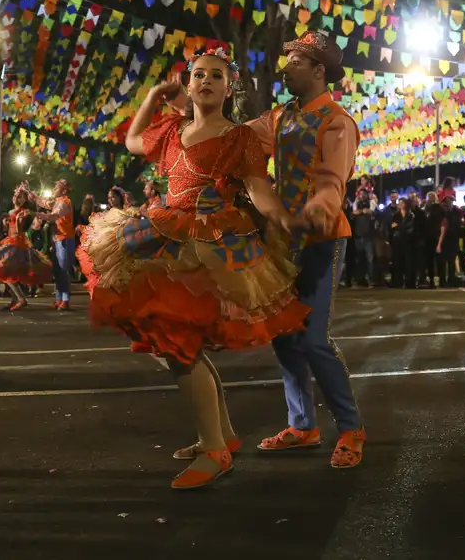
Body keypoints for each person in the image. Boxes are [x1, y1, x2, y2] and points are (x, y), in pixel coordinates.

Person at [78, 47, 309, 488]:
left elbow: (259, 191)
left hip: (209, 247)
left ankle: (215, 449)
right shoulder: (172, 130)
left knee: (178, 344)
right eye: (199, 75)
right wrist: (151, 96)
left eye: (216, 76)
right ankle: (219, 436)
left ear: (229, 87)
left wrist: (287, 219)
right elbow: (131, 140)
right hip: (162, 234)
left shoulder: (239, 138)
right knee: (176, 345)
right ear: (188, 85)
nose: (206, 81)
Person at [246, 30, 367, 468]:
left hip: (322, 238)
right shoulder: (280, 116)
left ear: (319, 71)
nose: (286, 67)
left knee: (314, 340)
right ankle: (302, 425)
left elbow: (333, 180)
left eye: (295, 61)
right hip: (283, 240)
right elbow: (240, 142)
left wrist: (318, 208)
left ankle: (351, 429)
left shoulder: (336, 121)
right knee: (283, 336)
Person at [0, 184, 53, 310]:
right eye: (15, 196)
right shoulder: (11, 211)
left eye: (20, 197)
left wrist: (17, 221)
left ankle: (21, 298)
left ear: (24, 199)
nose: (16, 198)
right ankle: (15, 299)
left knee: (5, 270)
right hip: (10, 241)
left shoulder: (23, 212)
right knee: (8, 271)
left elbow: (19, 229)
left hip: (17, 242)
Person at [31, 180, 75, 310]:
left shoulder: (64, 203)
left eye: (57, 187)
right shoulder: (58, 202)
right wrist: (31, 195)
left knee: (63, 270)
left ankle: (65, 299)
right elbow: (44, 203)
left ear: (64, 190)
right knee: (57, 270)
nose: (54, 188)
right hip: (58, 239)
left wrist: (36, 214)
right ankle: (59, 298)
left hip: (65, 239)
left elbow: (53, 216)